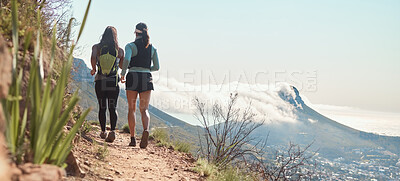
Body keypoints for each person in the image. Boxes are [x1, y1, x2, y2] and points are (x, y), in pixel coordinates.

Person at [121, 22, 160, 148]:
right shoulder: (152, 48)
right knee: (144, 109)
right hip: (146, 78)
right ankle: (146, 130)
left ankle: (132, 139)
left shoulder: (130, 46)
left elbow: (126, 59)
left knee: (131, 109)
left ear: (135, 33)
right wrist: (146, 69)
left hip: (132, 76)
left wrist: (123, 73)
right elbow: (157, 67)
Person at [90, 26, 124, 143]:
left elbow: (93, 57)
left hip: (100, 80)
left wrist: (94, 69)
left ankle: (103, 131)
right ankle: (113, 131)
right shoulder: (119, 50)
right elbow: (121, 66)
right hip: (113, 81)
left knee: (102, 107)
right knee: (112, 107)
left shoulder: (97, 47)